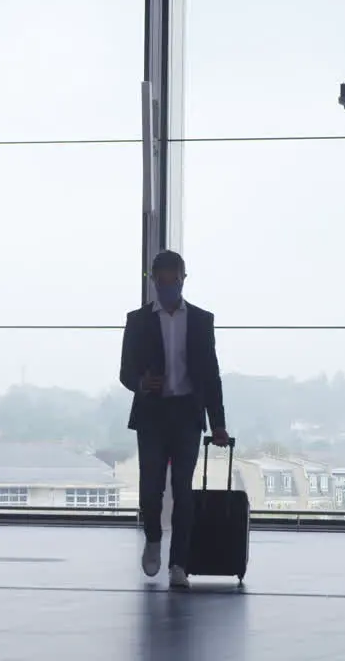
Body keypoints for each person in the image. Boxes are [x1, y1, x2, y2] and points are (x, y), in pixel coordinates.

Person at [119, 250, 228, 589]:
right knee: (150, 489)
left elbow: (211, 375)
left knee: (182, 490)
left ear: (183, 279)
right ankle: (153, 538)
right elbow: (125, 372)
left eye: (173, 281)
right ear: (153, 282)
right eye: (161, 282)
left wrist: (218, 423)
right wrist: (140, 382)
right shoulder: (138, 321)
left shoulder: (199, 320)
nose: (167, 288)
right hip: (152, 413)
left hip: (186, 414)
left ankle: (178, 562)